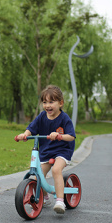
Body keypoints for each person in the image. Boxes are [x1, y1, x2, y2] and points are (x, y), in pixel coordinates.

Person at [16, 85, 76, 214]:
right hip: (46, 150)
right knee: (38, 176)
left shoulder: (64, 118)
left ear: (60, 103)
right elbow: (31, 128)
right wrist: (25, 134)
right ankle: (45, 198)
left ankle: (60, 201)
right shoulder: (42, 117)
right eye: (44, 102)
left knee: (56, 170)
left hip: (62, 150)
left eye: (51, 102)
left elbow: (71, 137)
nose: (47, 105)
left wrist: (59, 136)